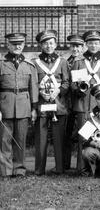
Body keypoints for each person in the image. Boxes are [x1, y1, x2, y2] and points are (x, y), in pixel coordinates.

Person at [70, 30, 100, 173]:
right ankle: (82, 168)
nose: (93, 45)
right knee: (84, 135)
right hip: (82, 104)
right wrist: (79, 89)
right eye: (90, 43)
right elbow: (73, 84)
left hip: (98, 105)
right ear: (86, 44)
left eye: (96, 43)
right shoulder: (79, 61)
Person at [0, 33, 38, 178]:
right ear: (8, 45)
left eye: (20, 44)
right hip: (5, 105)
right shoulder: (1, 63)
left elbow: (33, 87)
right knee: (5, 140)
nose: (17, 46)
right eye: (14, 44)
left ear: (23, 45)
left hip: (24, 105)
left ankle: (19, 169)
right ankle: (6, 171)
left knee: (21, 139)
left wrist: (34, 108)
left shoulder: (29, 65)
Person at [33, 30, 70, 176]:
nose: (48, 46)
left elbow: (67, 82)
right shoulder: (35, 63)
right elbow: (33, 83)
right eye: (45, 43)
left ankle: (59, 168)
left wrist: (59, 91)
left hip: (58, 104)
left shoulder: (62, 62)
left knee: (58, 138)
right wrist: (39, 94)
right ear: (41, 45)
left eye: (51, 43)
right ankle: (39, 170)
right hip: (42, 104)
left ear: (55, 44)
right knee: (41, 138)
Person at [63, 34, 85, 171]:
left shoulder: (83, 61)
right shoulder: (65, 60)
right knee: (67, 132)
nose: (75, 49)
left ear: (83, 47)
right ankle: (65, 163)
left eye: (78, 46)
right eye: (73, 46)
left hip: (79, 100)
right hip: (66, 101)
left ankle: (81, 164)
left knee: (82, 132)